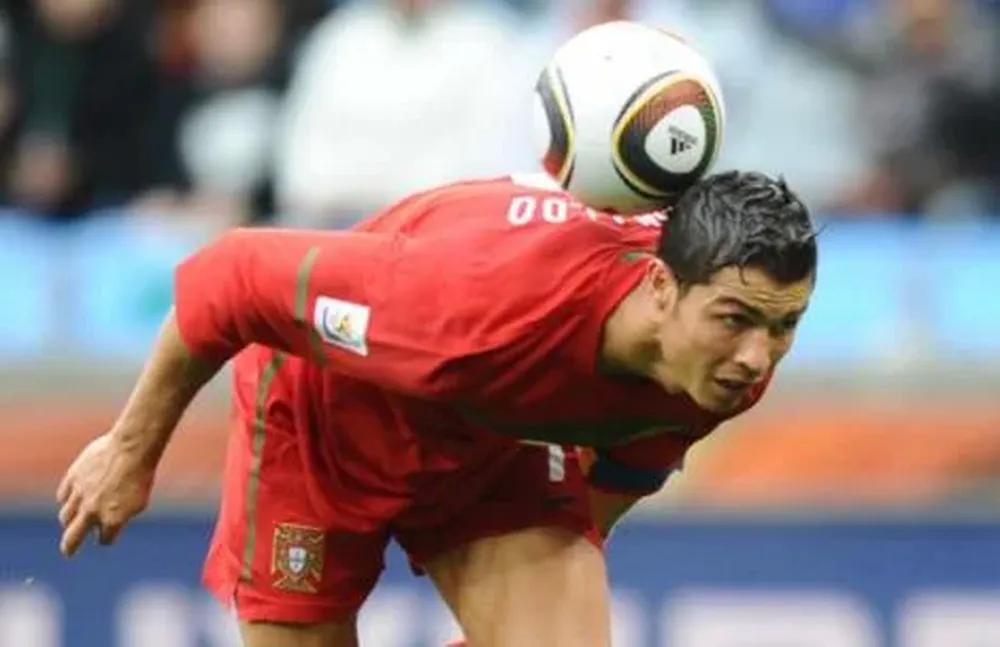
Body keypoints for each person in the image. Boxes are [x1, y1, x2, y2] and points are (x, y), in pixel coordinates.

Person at [56, 170, 817, 647]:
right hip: (325, 414)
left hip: (496, 434)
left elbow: (613, 481)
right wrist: (130, 449)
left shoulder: (720, 372)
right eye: (736, 319)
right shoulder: (471, 310)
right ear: (661, 289)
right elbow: (230, 276)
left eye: (785, 324)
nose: (758, 354)